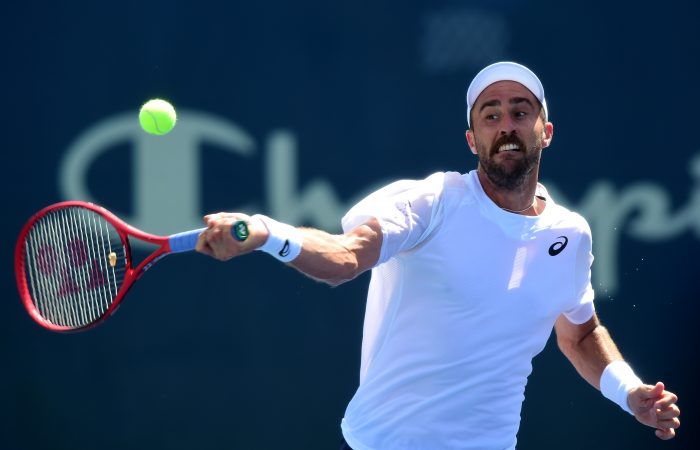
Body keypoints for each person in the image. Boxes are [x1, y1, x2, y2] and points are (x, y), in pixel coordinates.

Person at [195, 62, 681, 449]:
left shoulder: (570, 235)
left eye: (519, 111)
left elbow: (580, 334)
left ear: (545, 130)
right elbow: (345, 258)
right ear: (473, 141)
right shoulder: (431, 202)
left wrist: (630, 392)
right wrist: (264, 231)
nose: (505, 125)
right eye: (490, 115)